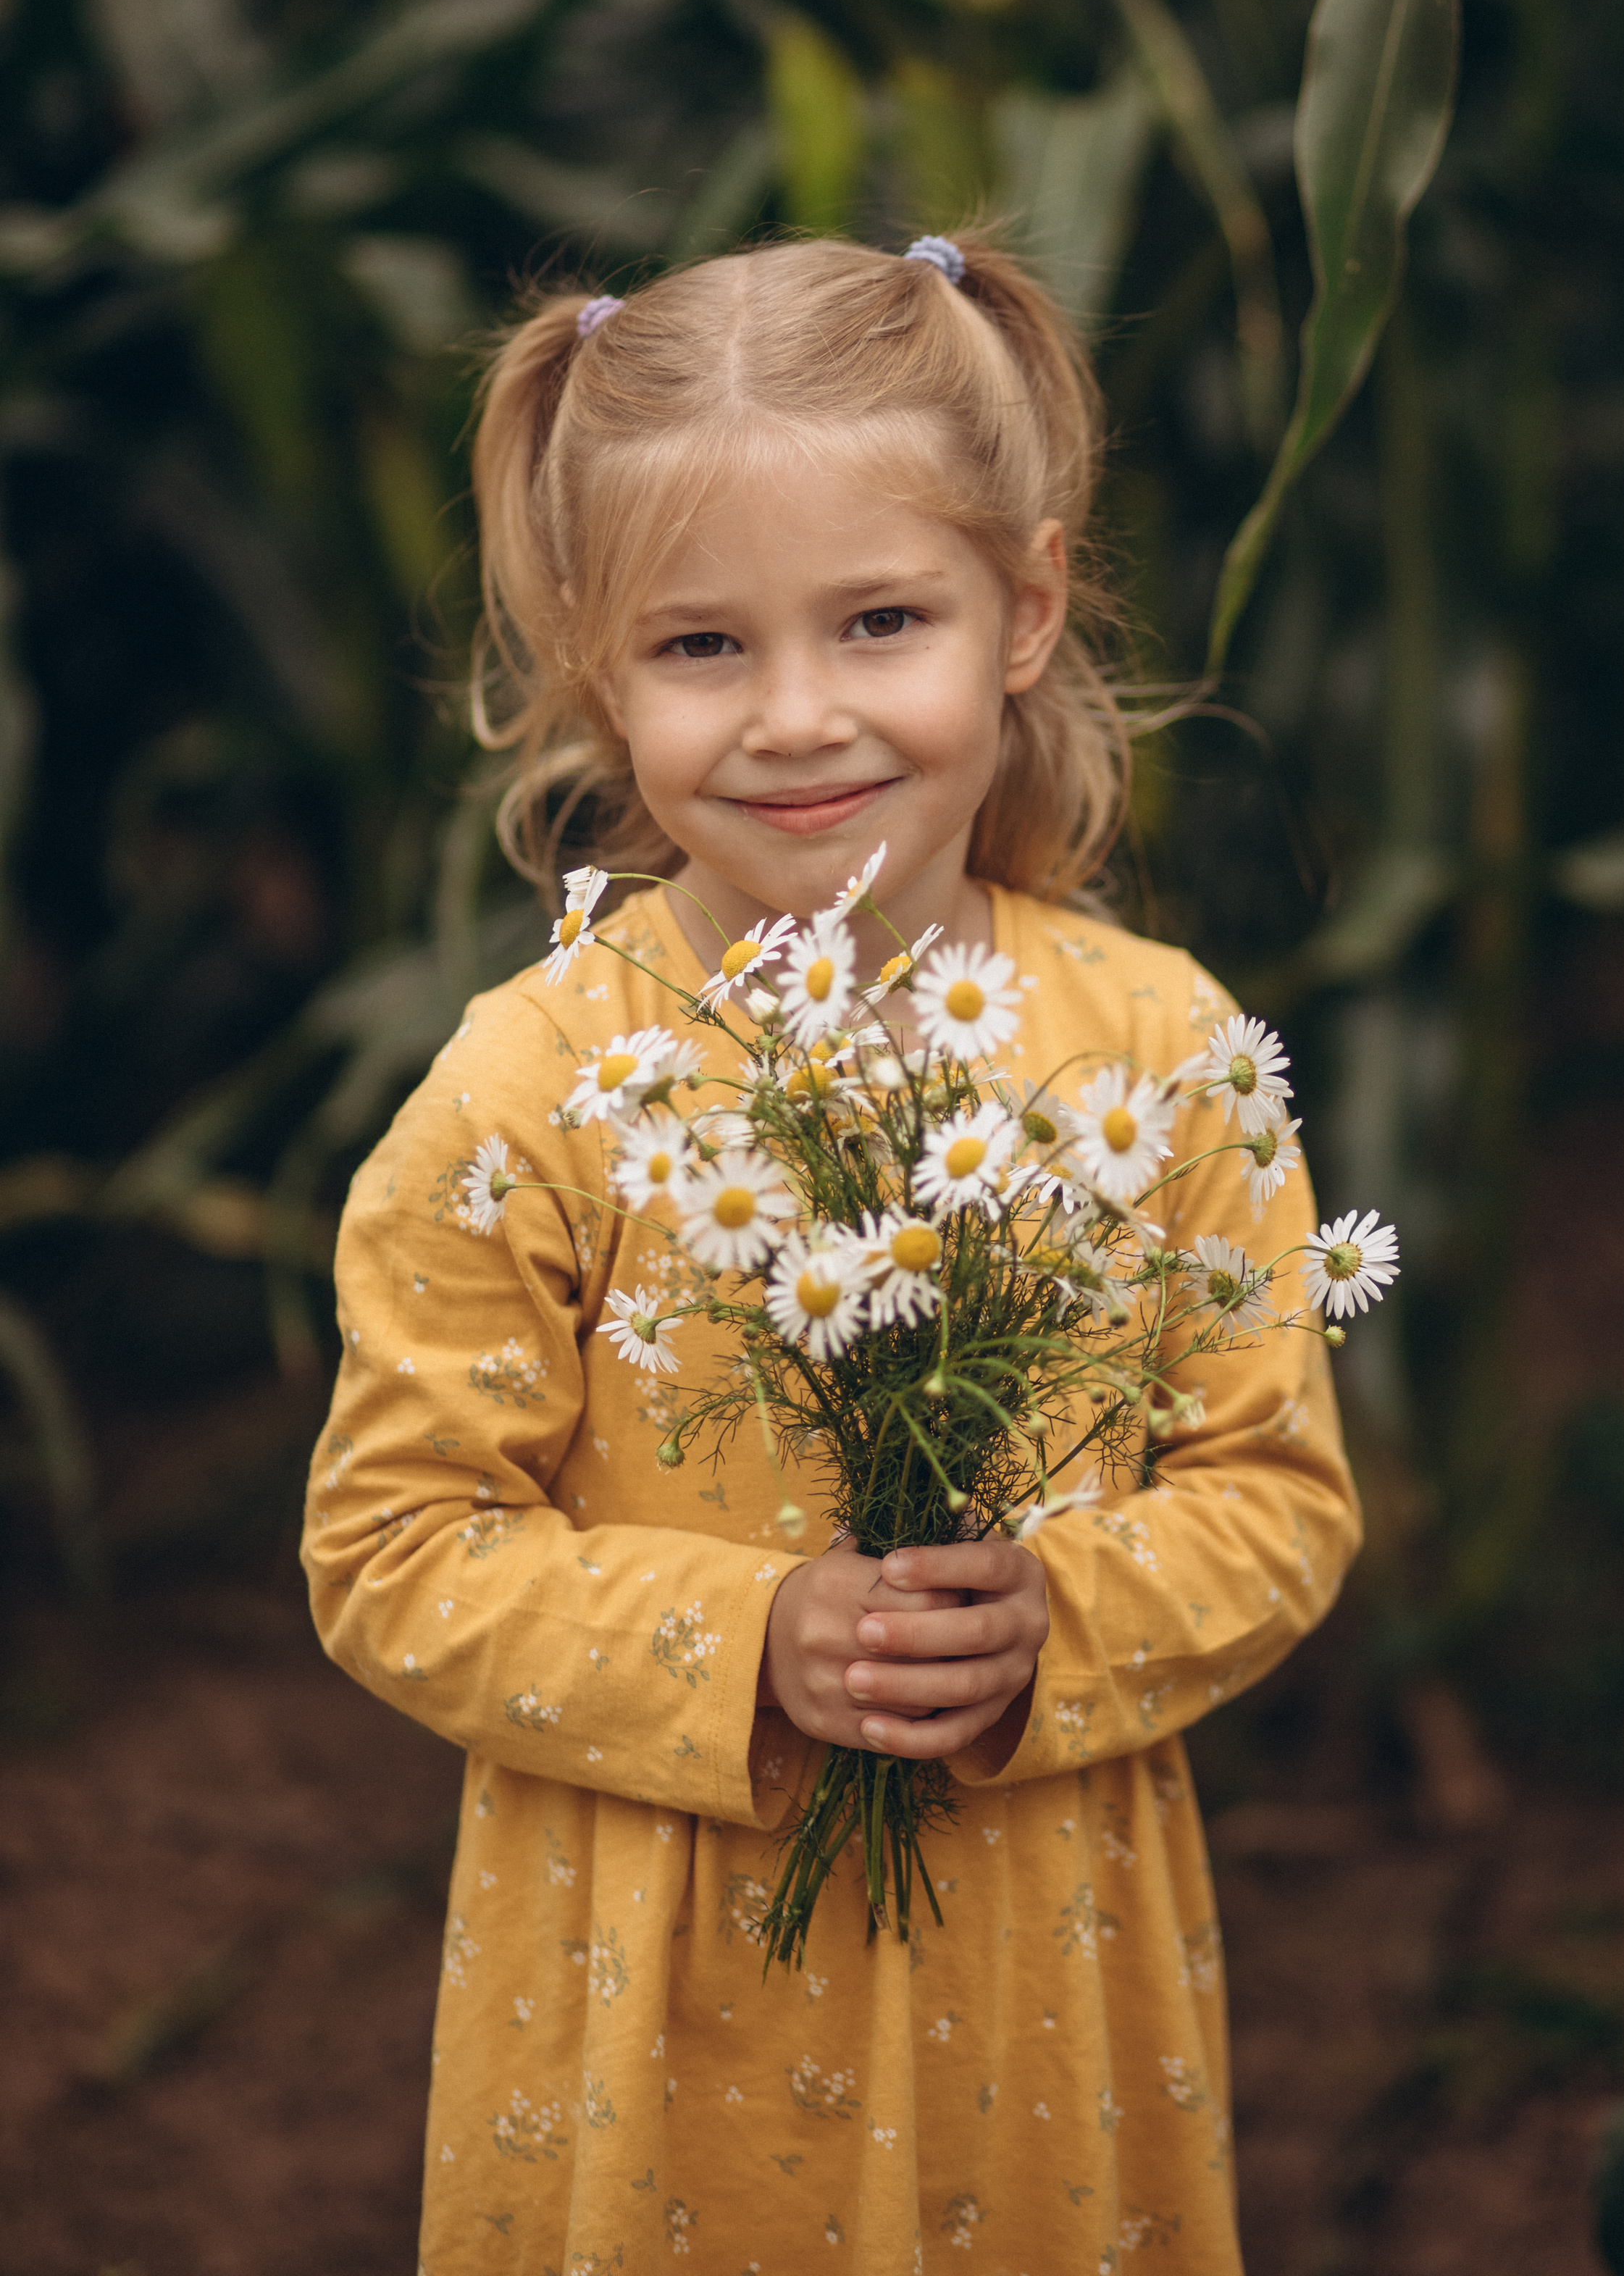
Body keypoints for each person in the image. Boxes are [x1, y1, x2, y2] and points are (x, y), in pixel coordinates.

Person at [302, 233, 1361, 2275]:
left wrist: (1064, 1608)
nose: (799, 718)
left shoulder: (1164, 1056)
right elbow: (392, 1545)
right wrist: (748, 1641)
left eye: (882, 620)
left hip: (1039, 1974)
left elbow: (1277, 1497)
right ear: (596, 668)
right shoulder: (536, 1085)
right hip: (663, 1998)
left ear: (1026, 607)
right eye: (703, 647)